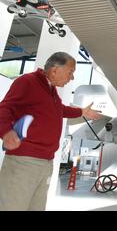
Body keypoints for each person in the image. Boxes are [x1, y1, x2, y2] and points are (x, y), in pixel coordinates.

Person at [0, 52, 102, 211]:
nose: (72, 78)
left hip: (45, 162)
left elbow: (59, 110)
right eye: (70, 72)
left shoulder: (51, 91)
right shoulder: (27, 82)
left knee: (36, 207)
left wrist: (81, 112)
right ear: (55, 70)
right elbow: (4, 108)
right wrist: (5, 132)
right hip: (24, 161)